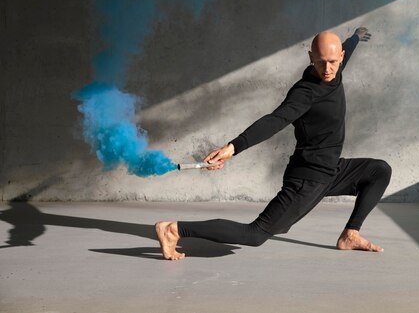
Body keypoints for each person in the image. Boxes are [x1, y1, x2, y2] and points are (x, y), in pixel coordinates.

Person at [155, 28, 392, 260]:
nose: (327, 69)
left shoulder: (336, 68)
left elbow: (347, 48)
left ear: (340, 57)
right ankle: (174, 230)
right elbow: (275, 120)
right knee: (255, 235)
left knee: (379, 171)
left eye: (332, 61)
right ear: (311, 58)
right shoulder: (305, 93)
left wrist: (356, 37)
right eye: (320, 62)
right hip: (308, 178)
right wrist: (233, 147)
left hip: (332, 170)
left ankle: (350, 235)